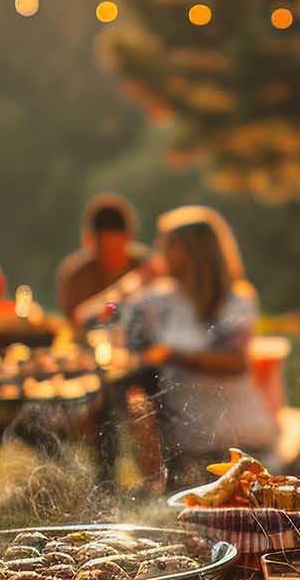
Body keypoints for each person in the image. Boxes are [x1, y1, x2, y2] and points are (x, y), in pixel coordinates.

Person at [119, 206, 278, 485]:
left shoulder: (235, 301)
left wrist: (175, 355)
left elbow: (234, 361)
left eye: (167, 245)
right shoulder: (156, 301)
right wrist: (126, 286)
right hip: (187, 440)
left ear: (192, 252)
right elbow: (98, 320)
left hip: (239, 438)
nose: (159, 252)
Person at [59, 193, 153, 326]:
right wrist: (120, 293)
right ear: (88, 242)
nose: (112, 258)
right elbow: (77, 320)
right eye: (106, 251)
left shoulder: (147, 266)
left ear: (129, 239)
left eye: (116, 250)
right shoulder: (76, 276)